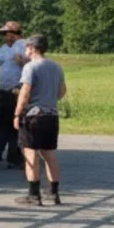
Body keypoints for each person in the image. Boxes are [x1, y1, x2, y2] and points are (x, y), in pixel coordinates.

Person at [14, 34, 68, 206]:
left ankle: (34, 194)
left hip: (34, 116)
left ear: (31, 47)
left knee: (30, 152)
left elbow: (25, 92)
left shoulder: (30, 67)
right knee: (49, 153)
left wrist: (17, 113)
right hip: (51, 114)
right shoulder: (56, 67)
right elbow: (61, 91)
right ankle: (54, 193)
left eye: (26, 47)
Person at [0, 20, 28, 169]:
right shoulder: (3, 49)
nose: (4, 37)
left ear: (14, 34)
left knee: (16, 126)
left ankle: (14, 158)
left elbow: (32, 65)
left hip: (18, 91)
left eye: (7, 34)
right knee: (0, 124)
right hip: (4, 92)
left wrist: (23, 61)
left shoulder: (25, 46)